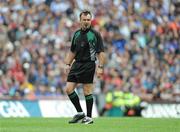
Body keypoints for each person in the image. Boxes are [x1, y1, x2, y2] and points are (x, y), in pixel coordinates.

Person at [64, 10, 105, 124]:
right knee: (68, 89)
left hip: (89, 64)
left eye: (88, 20)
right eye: (84, 20)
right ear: (80, 20)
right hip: (76, 64)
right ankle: (80, 113)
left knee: (87, 90)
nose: (86, 22)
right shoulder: (76, 34)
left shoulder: (95, 34)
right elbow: (72, 51)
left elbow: (101, 52)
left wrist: (100, 67)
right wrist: (67, 63)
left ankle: (89, 117)